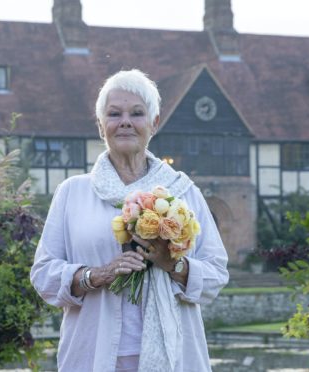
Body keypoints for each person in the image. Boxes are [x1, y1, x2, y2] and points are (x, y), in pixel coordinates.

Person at [30, 69, 229, 372]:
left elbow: (216, 274)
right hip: (93, 353)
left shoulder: (183, 191)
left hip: (175, 357)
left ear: (154, 123)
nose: (125, 121)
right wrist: (95, 275)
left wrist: (173, 264)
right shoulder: (73, 193)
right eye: (114, 114)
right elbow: (43, 274)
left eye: (137, 113)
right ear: (101, 126)